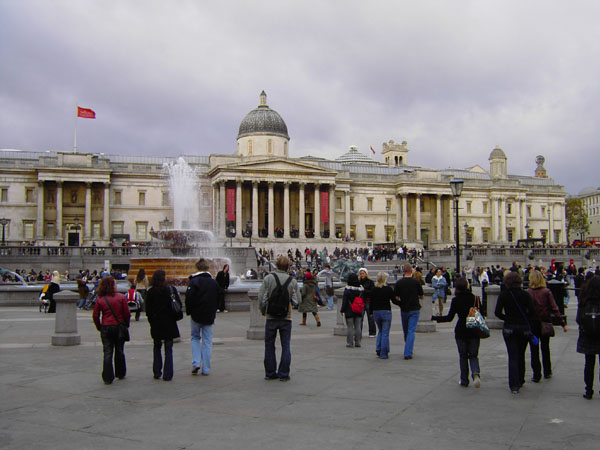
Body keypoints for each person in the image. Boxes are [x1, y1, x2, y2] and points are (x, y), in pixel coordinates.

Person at [432, 277, 482, 388]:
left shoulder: (456, 300)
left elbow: (449, 318)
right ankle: (476, 374)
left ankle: (464, 380)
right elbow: (482, 314)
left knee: (463, 356)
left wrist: (435, 318)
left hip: (461, 330)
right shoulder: (475, 299)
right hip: (474, 329)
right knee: (474, 355)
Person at [258, 255, 300, 381]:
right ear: (288, 266)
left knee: (269, 345)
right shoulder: (292, 280)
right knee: (286, 345)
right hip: (286, 317)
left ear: (276, 265)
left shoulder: (268, 278)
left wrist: (263, 311)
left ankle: (270, 373)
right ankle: (284, 374)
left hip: (271, 316)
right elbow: (298, 300)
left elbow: (261, 298)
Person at [495, 271, 536, 394]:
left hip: (509, 328)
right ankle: (521, 379)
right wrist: (525, 318)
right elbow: (533, 312)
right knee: (521, 354)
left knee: (512, 355)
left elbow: (497, 312)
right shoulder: (526, 294)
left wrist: (508, 318)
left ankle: (514, 385)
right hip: (523, 328)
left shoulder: (504, 295)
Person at [527, 270, 567, 382]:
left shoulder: (528, 292)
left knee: (534, 349)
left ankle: (536, 374)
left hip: (532, 323)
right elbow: (555, 308)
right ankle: (547, 371)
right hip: (545, 322)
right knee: (545, 348)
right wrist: (562, 322)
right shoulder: (546, 292)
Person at [92, 276, 130, 384]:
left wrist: (99, 326)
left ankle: (107, 376)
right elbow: (126, 313)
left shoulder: (100, 299)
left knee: (107, 352)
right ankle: (120, 372)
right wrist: (126, 324)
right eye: (115, 283)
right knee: (119, 350)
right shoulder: (121, 297)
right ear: (112, 285)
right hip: (119, 326)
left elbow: (95, 315)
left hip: (106, 327)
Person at [145, 269, 181, 381]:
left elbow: (148, 311)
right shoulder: (170, 290)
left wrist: (152, 321)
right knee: (168, 349)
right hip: (169, 323)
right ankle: (168, 374)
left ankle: (156, 372)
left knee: (156, 347)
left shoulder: (150, 292)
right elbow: (178, 305)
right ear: (164, 278)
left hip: (156, 323)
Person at [185, 258, 219, 376]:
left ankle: (196, 362)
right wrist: (214, 310)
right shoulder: (213, 282)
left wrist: (189, 311)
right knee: (207, 341)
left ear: (197, 267)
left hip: (196, 315)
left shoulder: (194, 281)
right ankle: (206, 369)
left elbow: (188, 298)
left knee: (195, 338)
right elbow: (219, 297)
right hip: (209, 315)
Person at [577, 276, 600, 399]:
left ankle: (589, 390)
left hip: (588, 336)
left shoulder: (584, 301)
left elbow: (578, 319)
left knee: (589, 364)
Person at [394, 263, 424, 360]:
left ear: (403, 271)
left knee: (406, 331)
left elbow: (396, 297)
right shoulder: (416, 282)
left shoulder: (399, 283)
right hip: (414, 308)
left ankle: (408, 349)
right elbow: (422, 295)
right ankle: (408, 352)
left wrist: (400, 303)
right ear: (411, 271)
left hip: (404, 309)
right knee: (411, 331)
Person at [370, 271, 395, 359]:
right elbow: (394, 300)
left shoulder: (373, 289)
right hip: (386, 311)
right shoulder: (388, 289)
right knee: (385, 333)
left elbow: (371, 302)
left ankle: (378, 348)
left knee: (380, 331)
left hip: (376, 312)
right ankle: (383, 352)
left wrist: (370, 312)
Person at [340, 273, 364, 348]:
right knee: (358, 326)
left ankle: (350, 343)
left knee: (350, 327)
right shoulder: (361, 289)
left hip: (349, 309)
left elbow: (344, 301)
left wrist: (342, 310)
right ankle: (358, 342)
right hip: (358, 309)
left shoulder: (347, 290)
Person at [358, 267, 376, 337]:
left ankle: (372, 332)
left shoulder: (370, 282)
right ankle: (359, 332)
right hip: (361, 301)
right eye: (360, 273)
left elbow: (372, 292)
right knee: (360, 318)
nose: (362, 275)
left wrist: (364, 290)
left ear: (366, 274)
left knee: (371, 317)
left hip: (368, 301)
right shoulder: (358, 282)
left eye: (363, 273)